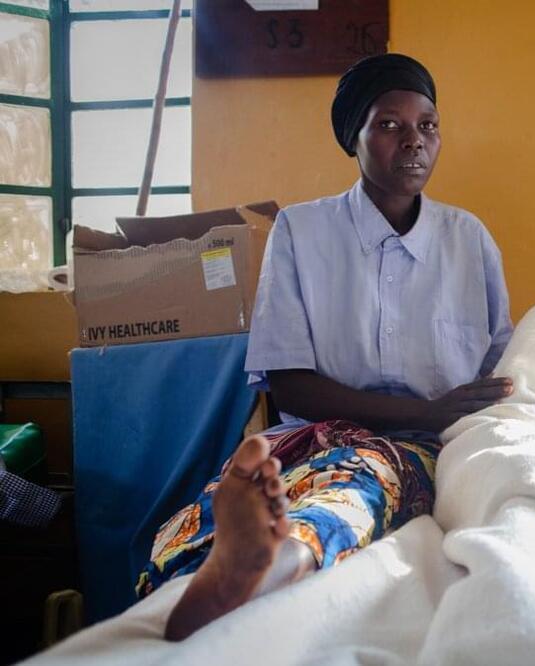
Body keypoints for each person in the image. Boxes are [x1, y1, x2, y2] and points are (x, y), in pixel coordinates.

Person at [135, 53, 515, 641]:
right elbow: (289, 386)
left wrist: (432, 421)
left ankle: (268, 564)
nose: (414, 141)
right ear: (352, 139)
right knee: (210, 508)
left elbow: (499, 374)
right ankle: (194, 580)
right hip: (307, 437)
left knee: (358, 486)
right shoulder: (301, 231)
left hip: (415, 448)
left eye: (428, 126)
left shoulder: (469, 240)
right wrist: (428, 407)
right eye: (389, 125)